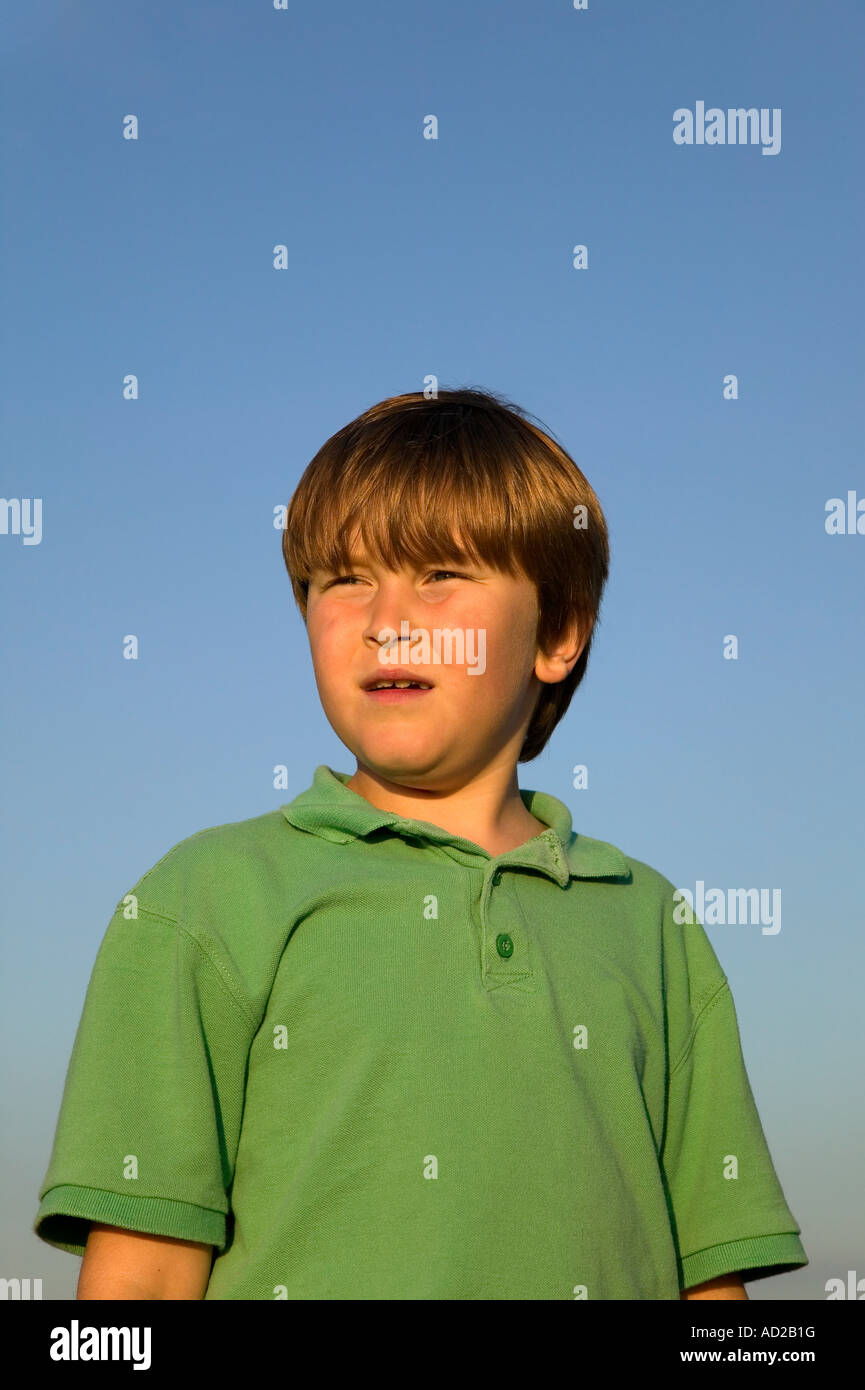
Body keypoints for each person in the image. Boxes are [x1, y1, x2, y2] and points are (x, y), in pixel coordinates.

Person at [34, 387, 807, 1300]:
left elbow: (710, 1295)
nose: (385, 618)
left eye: (440, 573)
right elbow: (145, 1280)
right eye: (345, 579)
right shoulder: (202, 899)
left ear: (557, 633)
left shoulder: (653, 923)